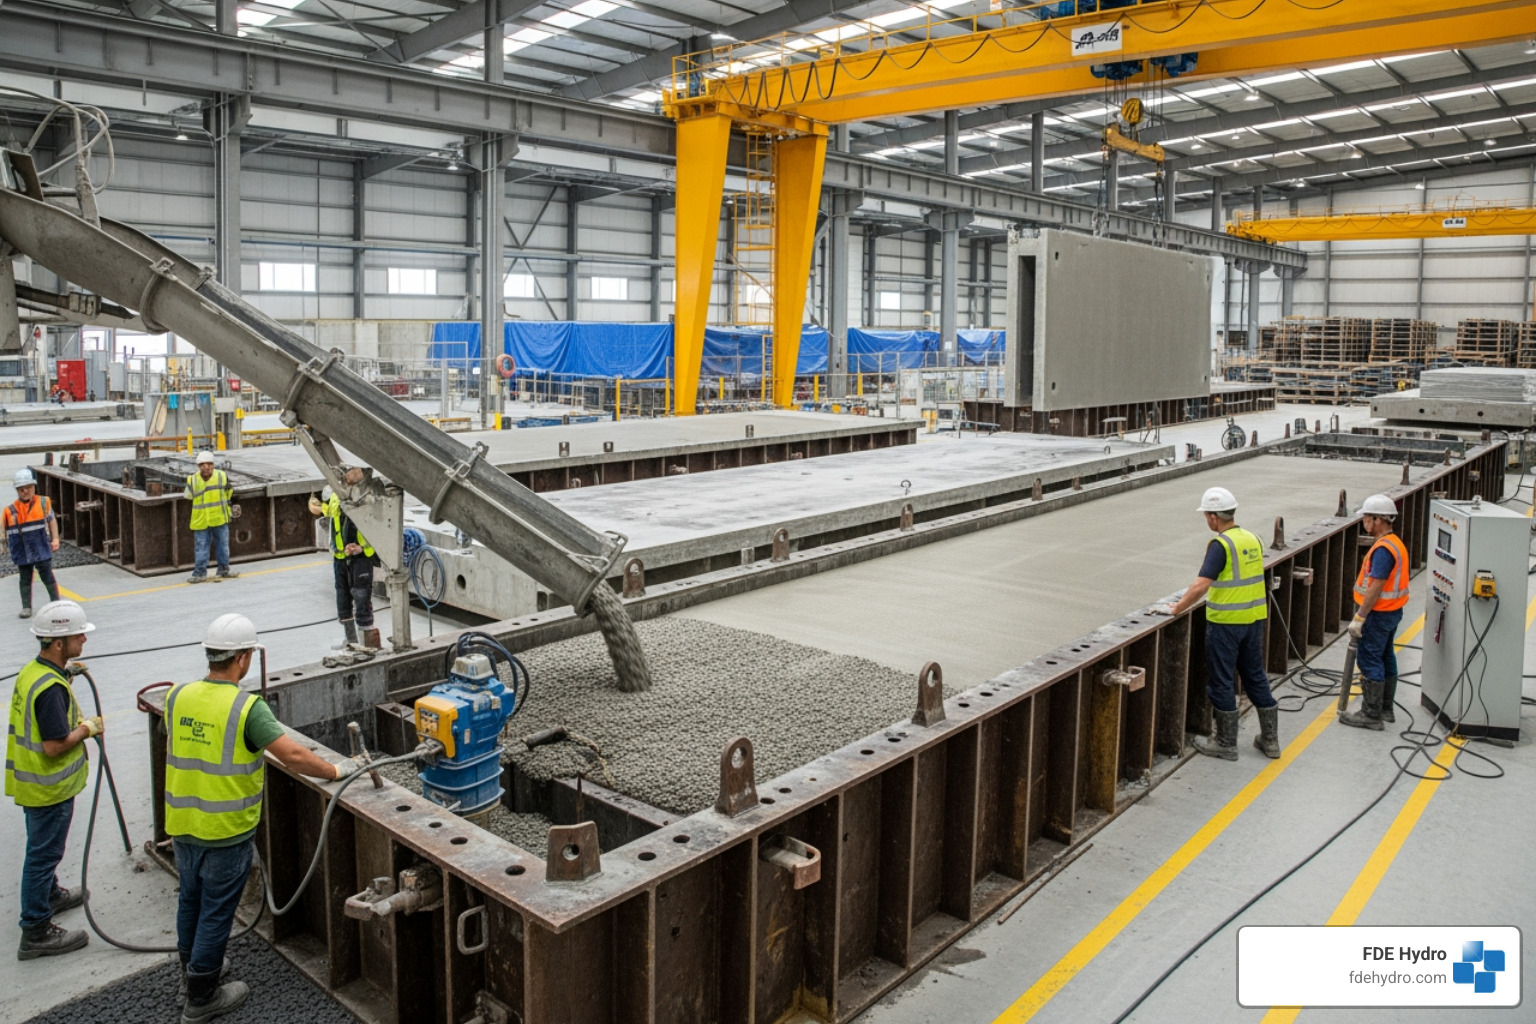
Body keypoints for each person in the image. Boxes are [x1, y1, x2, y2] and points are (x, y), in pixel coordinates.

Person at [165, 614, 360, 1023]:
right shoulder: (244, 707)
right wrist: (338, 771)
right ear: (241, 659)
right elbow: (292, 754)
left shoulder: (177, 696)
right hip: (224, 830)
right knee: (217, 909)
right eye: (249, 654)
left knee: (191, 900)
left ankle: (192, 972)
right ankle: (202, 995)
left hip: (183, 825)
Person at [1152, 487, 1281, 761]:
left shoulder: (1220, 545)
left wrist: (1177, 608)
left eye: (1206, 516)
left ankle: (1226, 744)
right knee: (1255, 676)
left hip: (1226, 624)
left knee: (1222, 680)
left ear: (1213, 517)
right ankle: (1271, 741)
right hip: (1254, 619)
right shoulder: (1253, 539)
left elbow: (1201, 584)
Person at [6, 600, 98, 960]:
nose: (84, 642)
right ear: (59, 643)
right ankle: (36, 930)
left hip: (35, 785)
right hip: (49, 788)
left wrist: (67, 674)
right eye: (78, 636)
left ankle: (49, 895)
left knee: (42, 850)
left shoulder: (35, 672)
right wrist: (88, 729)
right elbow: (54, 745)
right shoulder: (51, 690)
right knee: (43, 855)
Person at [1339, 494, 1410, 730]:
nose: (1364, 522)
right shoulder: (1395, 544)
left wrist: (1360, 617)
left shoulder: (1383, 550)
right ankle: (1385, 708)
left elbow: (1375, 586)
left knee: (1369, 658)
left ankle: (1371, 715)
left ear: (1378, 520)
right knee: (1386, 656)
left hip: (1377, 614)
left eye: (1367, 518)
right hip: (1392, 612)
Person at [309, 473, 380, 650]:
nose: (350, 474)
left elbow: (379, 531)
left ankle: (367, 641)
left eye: (355, 470)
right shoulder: (336, 495)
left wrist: (362, 549)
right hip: (340, 557)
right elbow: (331, 514)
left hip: (361, 558)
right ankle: (351, 640)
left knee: (361, 596)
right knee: (343, 598)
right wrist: (318, 508)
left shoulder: (368, 497)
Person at [4, 468, 61, 618]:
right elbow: (3, 531)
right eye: (21, 489)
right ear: (17, 490)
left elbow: (52, 520)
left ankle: (56, 602)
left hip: (40, 546)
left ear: (34, 487)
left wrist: (55, 539)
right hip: (22, 549)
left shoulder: (43, 503)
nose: (25, 492)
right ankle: (26, 607)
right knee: (25, 578)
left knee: (47, 575)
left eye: (28, 488)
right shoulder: (9, 511)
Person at [184, 451, 237, 584]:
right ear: (198, 466)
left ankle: (223, 570)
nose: (206, 467)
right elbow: (188, 496)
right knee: (202, 547)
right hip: (202, 520)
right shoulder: (192, 480)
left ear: (213, 465)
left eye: (208, 464)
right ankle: (200, 573)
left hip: (218, 518)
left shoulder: (221, 476)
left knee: (222, 546)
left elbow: (229, 491)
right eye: (202, 464)